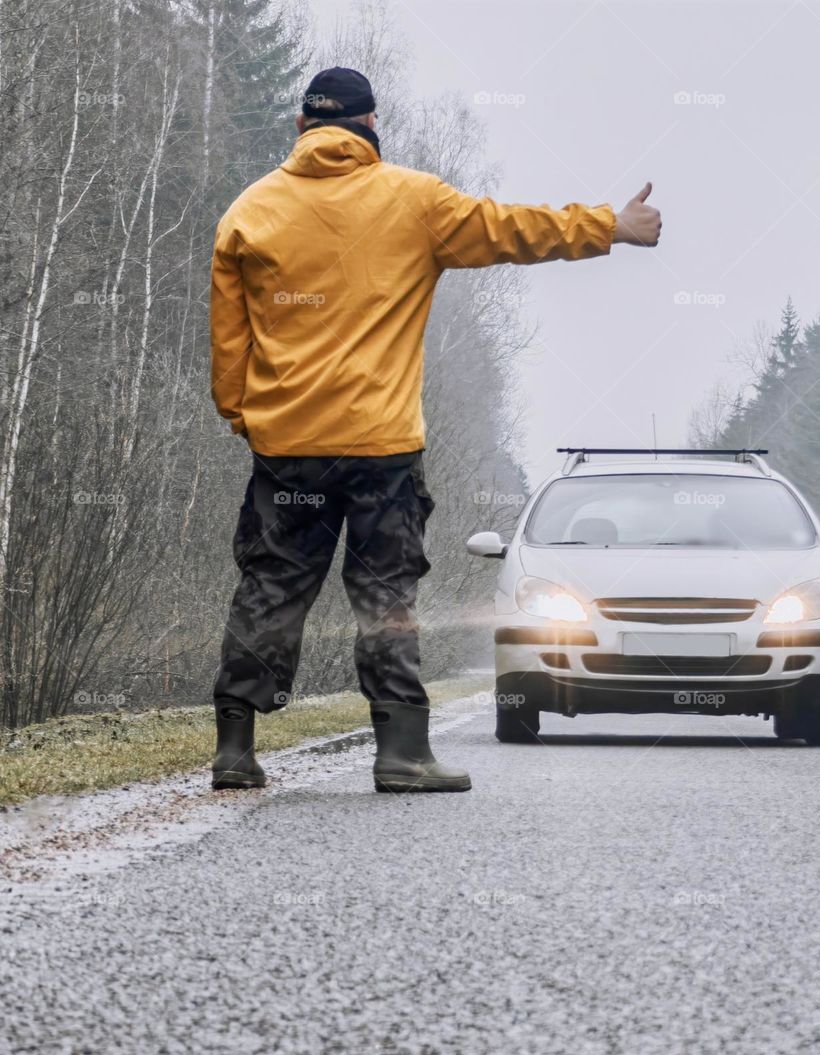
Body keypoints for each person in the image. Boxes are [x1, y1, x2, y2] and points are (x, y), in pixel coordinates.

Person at [209, 66, 662, 793]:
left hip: (287, 448)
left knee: (270, 589)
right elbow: (513, 229)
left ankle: (235, 749)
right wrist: (611, 224)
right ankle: (402, 755)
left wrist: (242, 414)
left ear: (301, 129)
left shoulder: (250, 211)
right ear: (371, 126)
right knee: (385, 594)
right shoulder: (414, 201)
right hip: (382, 449)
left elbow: (229, 341)